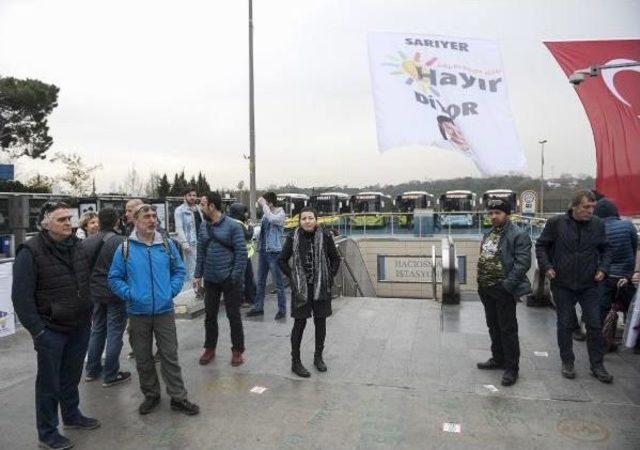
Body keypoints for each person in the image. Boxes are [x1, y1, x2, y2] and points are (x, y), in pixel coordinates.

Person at [11, 202, 99, 450]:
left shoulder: (77, 246)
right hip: (51, 330)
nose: (68, 223)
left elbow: (85, 279)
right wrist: (38, 331)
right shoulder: (30, 252)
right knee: (49, 383)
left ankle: (71, 416)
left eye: (69, 219)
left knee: (71, 377)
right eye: (62, 220)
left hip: (80, 325)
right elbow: (21, 298)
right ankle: (47, 433)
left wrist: (88, 309)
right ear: (45, 224)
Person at [108, 204, 199, 416]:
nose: (152, 220)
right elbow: (114, 277)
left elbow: (179, 271)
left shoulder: (166, 245)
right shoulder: (125, 248)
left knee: (170, 355)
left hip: (164, 311)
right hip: (137, 313)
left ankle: (178, 397)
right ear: (135, 221)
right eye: (146, 216)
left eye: (153, 216)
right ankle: (151, 395)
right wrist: (130, 294)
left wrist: (171, 290)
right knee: (143, 357)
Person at [536, 190, 613, 383]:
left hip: (589, 284)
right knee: (565, 324)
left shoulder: (597, 224)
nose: (590, 211)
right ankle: (567, 362)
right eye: (586, 207)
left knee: (594, 325)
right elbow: (541, 245)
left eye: (593, 207)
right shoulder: (556, 223)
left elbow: (606, 249)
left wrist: (603, 268)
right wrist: (547, 267)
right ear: (574, 206)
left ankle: (597, 365)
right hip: (562, 283)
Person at [279, 207, 340, 378]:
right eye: (304, 218)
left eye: (310, 218)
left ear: (316, 219)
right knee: (299, 324)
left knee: (320, 323)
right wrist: (293, 276)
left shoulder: (326, 236)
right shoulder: (293, 238)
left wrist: (329, 276)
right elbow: (281, 260)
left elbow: (335, 258)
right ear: (299, 221)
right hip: (301, 289)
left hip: (321, 288)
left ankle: (318, 357)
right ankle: (295, 362)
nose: (307, 221)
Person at [475, 198, 531, 387]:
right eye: (490, 213)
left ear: (507, 214)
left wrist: (507, 286)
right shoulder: (489, 233)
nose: (493, 216)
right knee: (493, 325)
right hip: (486, 288)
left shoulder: (518, 234)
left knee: (507, 329)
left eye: (497, 213)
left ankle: (511, 368)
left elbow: (523, 263)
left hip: (503, 289)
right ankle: (497, 358)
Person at [193, 192, 248, 366]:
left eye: (203, 204)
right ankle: (210, 348)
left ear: (212, 206)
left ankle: (237, 350)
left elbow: (242, 253)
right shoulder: (203, 226)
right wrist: (197, 275)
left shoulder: (233, 226)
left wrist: (235, 276)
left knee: (234, 316)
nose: (201, 208)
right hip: (210, 278)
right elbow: (200, 252)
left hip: (230, 279)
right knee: (210, 316)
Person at [82, 207, 130, 387]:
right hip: (116, 293)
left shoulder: (87, 242)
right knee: (115, 332)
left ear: (99, 221)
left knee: (97, 330)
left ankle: (92, 370)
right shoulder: (122, 242)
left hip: (95, 293)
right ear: (117, 221)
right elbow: (128, 268)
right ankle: (110, 374)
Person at [594, 198, 638, 326]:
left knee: (602, 309)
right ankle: (631, 335)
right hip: (626, 277)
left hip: (605, 277)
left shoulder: (596, 229)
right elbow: (634, 248)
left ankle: (600, 338)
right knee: (631, 307)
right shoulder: (628, 225)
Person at [247, 192, 287, 319]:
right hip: (263, 251)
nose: (262, 205)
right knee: (261, 281)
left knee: (278, 283)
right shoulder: (266, 214)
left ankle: (282, 309)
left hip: (274, 252)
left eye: (265, 202)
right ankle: (258, 307)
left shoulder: (280, 213)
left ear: (269, 202)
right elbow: (264, 228)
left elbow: (273, 219)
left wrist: (263, 205)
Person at [174, 186, 204, 292]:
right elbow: (179, 228)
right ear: (185, 196)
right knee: (193, 267)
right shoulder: (180, 210)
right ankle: (197, 289)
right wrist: (184, 243)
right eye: (189, 195)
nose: (192, 197)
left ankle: (203, 286)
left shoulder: (199, 209)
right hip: (191, 243)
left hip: (203, 241)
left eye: (194, 195)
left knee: (203, 265)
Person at [228, 202, 257, 308]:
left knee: (247, 277)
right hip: (241, 255)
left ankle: (250, 298)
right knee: (244, 278)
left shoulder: (234, 222)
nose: (246, 214)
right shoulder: (237, 224)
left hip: (244, 254)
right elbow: (248, 235)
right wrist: (251, 226)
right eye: (244, 212)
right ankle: (242, 300)